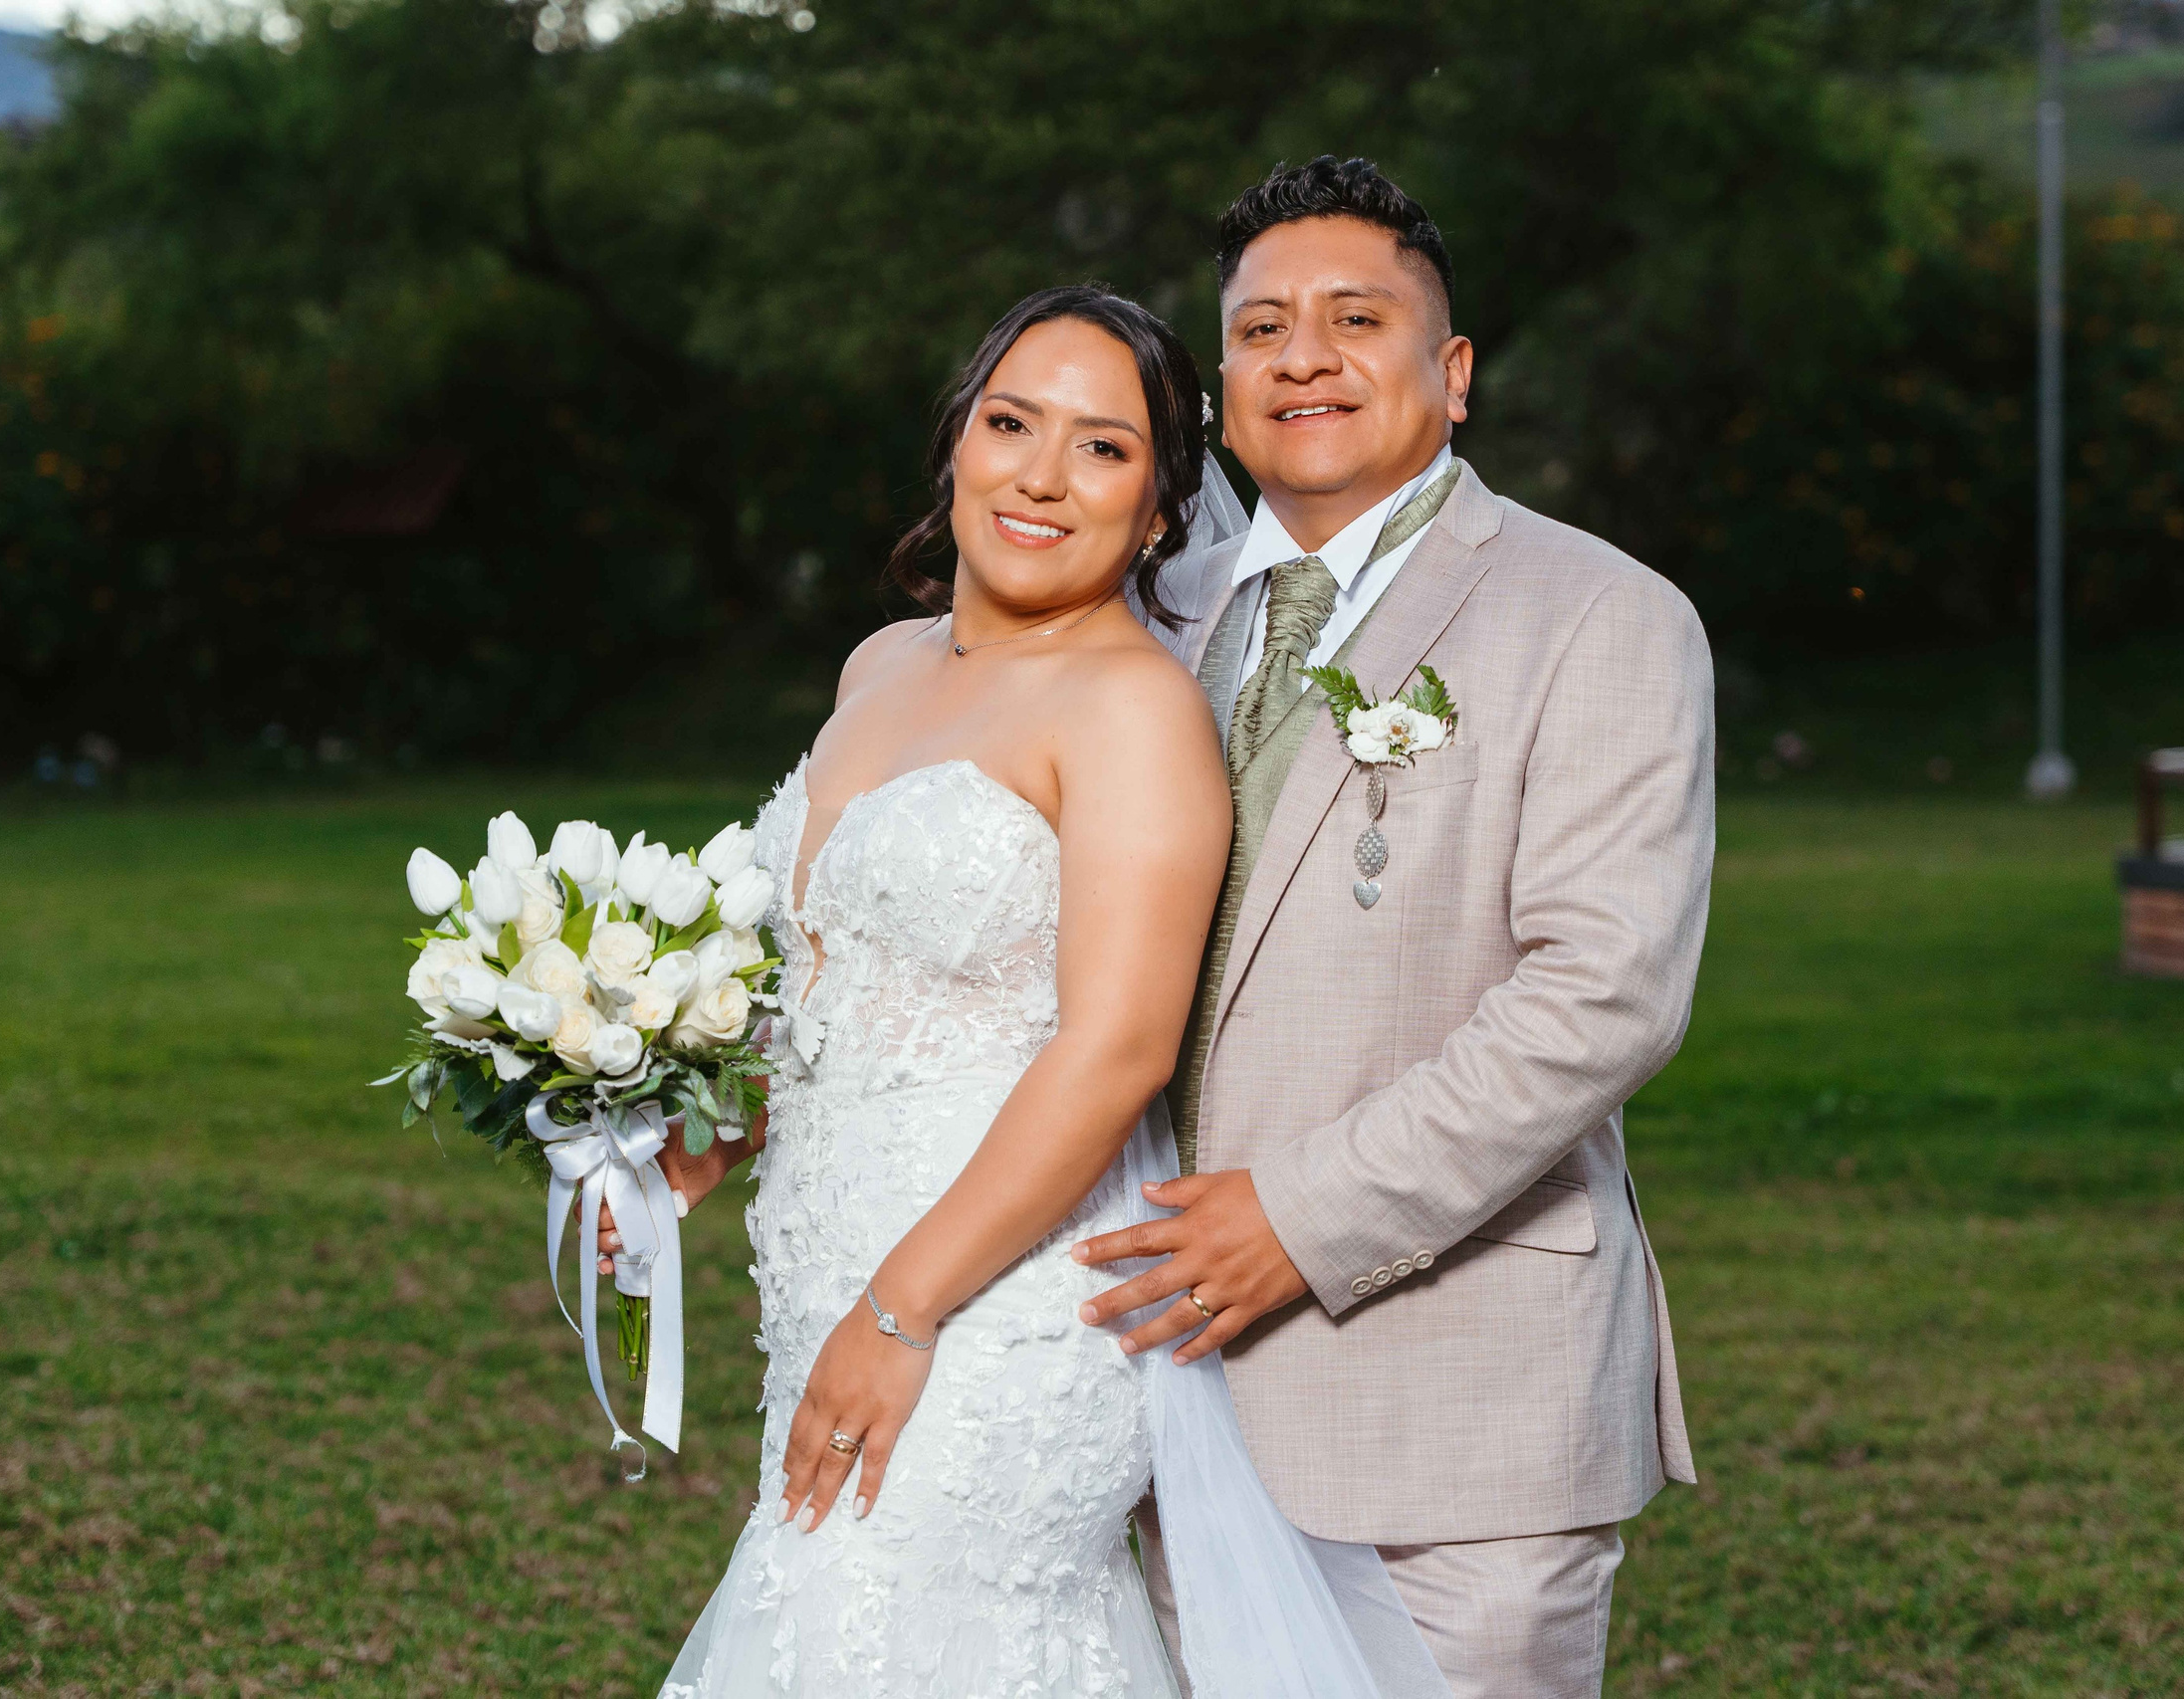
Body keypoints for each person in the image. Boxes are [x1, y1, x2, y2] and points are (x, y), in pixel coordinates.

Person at [1071, 156, 1713, 1699]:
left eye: (1357, 318)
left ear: (1455, 370)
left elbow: (1602, 997)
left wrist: (1297, 1215)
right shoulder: (1152, 620)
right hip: (1148, 1388)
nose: (1305, 355)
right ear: (1218, 389)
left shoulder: (1599, 613)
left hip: (1454, 1386)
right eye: (1261, 328)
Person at [650, 284, 1236, 1696]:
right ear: (956, 445)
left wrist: (901, 1313)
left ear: (1160, 509)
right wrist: (714, 1119)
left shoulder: (1134, 711)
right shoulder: (880, 664)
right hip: (823, 1277)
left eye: (1101, 448)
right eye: (1011, 422)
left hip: (994, 1312)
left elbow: (1117, 1050)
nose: (1041, 473)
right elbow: (837, 970)